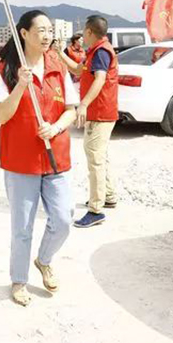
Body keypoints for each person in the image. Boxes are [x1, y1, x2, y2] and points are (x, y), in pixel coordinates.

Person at [0, 10, 78, 307]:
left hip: (55, 157)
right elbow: (1, 115)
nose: (47, 35)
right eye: (40, 30)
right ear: (24, 34)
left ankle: (44, 259)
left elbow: (71, 109)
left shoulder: (58, 65)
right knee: (22, 227)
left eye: (50, 29)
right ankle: (18, 280)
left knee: (64, 218)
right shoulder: (6, 70)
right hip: (21, 161)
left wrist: (55, 127)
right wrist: (20, 85)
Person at [61, 16, 119, 228]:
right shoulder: (96, 51)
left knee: (94, 158)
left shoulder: (101, 52)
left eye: (83, 32)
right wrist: (60, 54)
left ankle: (96, 210)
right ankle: (108, 195)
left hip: (100, 112)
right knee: (100, 156)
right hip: (101, 111)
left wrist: (83, 104)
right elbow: (78, 70)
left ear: (89, 32)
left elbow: (100, 79)